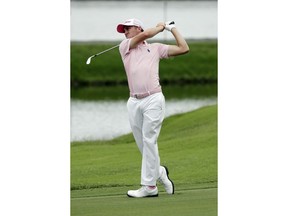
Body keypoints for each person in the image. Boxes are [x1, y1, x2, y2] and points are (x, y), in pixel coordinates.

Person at [116, 18, 189, 198]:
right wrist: (158, 27)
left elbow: (183, 48)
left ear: (137, 28)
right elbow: (147, 34)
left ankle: (149, 187)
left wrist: (172, 29)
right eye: (123, 29)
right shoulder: (125, 46)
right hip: (134, 102)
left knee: (149, 140)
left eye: (128, 28)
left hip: (153, 99)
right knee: (143, 145)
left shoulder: (155, 48)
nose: (125, 32)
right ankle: (160, 172)